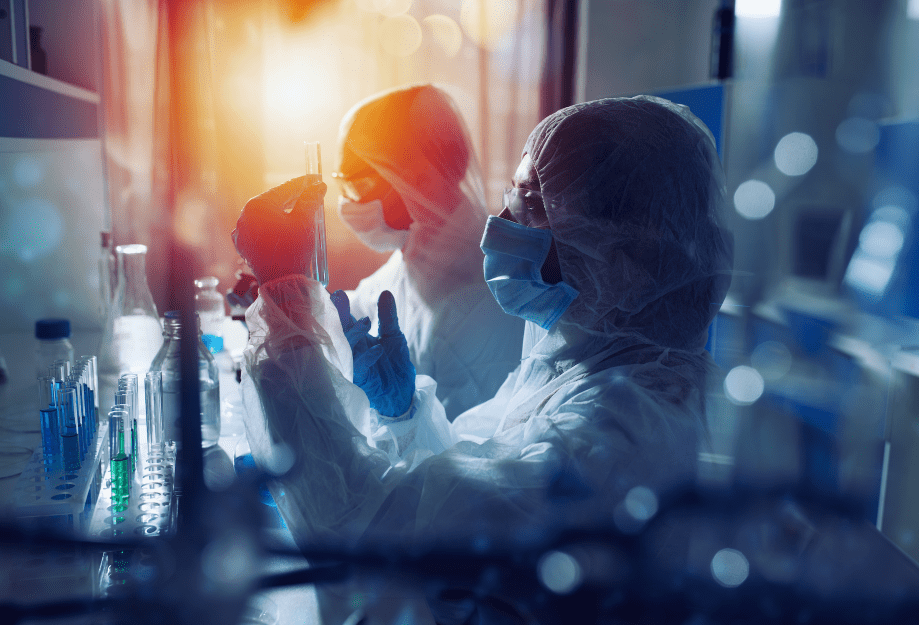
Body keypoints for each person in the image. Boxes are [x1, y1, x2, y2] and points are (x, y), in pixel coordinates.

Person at [233, 95, 734, 623]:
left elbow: (372, 533)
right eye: (510, 194)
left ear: (622, 255)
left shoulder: (621, 434)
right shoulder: (588, 374)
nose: (498, 220)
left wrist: (285, 306)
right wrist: (405, 415)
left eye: (531, 201)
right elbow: (469, 478)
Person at [330, 83, 525, 421]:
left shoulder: (482, 303)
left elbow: (463, 459)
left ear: (418, 180)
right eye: (342, 186)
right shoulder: (418, 251)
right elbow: (365, 303)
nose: (347, 203)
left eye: (357, 185)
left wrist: (399, 414)